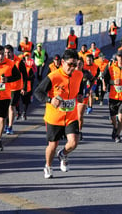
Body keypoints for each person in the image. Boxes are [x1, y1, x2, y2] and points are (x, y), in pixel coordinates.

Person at [34, 49, 84, 179]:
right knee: (53, 145)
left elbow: (80, 89)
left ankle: (63, 153)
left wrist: (80, 96)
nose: (72, 68)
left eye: (75, 65)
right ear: (62, 62)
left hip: (71, 116)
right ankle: (48, 166)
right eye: (70, 64)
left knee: (73, 143)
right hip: (54, 118)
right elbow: (38, 92)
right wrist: (50, 100)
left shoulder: (79, 75)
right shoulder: (53, 76)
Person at [4, 45, 27, 134]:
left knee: (11, 106)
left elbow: (25, 75)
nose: (7, 54)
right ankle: (6, 124)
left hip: (15, 88)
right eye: (5, 52)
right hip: (4, 88)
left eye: (8, 52)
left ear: (12, 52)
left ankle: (10, 126)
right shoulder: (3, 61)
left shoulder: (19, 61)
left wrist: (24, 88)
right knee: (5, 107)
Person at [75, 58, 93, 140]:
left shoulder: (86, 73)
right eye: (77, 63)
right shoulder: (71, 72)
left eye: (80, 64)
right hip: (72, 97)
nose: (78, 65)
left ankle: (79, 131)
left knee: (79, 116)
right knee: (71, 116)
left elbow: (93, 80)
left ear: (83, 65)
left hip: (83, 97)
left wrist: (89, 89)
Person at [20, 52, 36, 121]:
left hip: (27, 86)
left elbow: (33, 77)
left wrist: (26, 78)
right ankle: (17, 112)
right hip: (18, 86)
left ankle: (24, 112)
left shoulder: (29, 68)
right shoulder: (18, 68)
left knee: (25, 101)